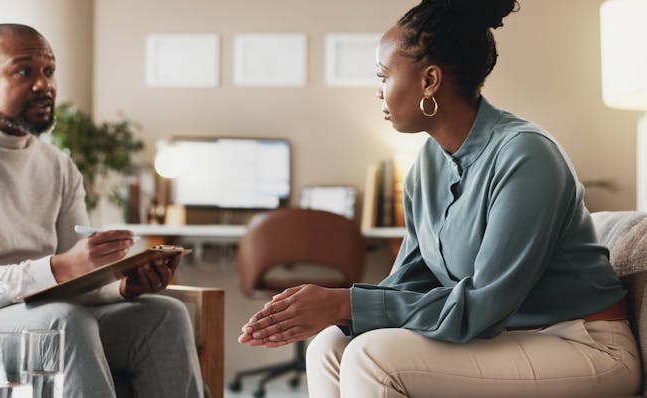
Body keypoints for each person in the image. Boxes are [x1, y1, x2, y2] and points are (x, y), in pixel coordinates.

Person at [238, 1, 641, 397]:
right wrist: (337, 311)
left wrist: (344, 303)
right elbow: (410, 283)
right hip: (508, 336)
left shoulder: (526, 155)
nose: (378, 91)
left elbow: (484, 308)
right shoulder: (426, 166)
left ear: (430, 81)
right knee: (331, 346)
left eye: (383, 75)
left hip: (583, 344)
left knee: (370, 357)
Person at [0, 23, 203, 398]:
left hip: (46, 317)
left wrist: (121, 287)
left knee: (164, 315)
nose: (44, 85)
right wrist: (63, 266)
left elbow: (76, 283)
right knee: (62, 322)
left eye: (49, 71)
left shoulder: (58, 165)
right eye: (24, 71)